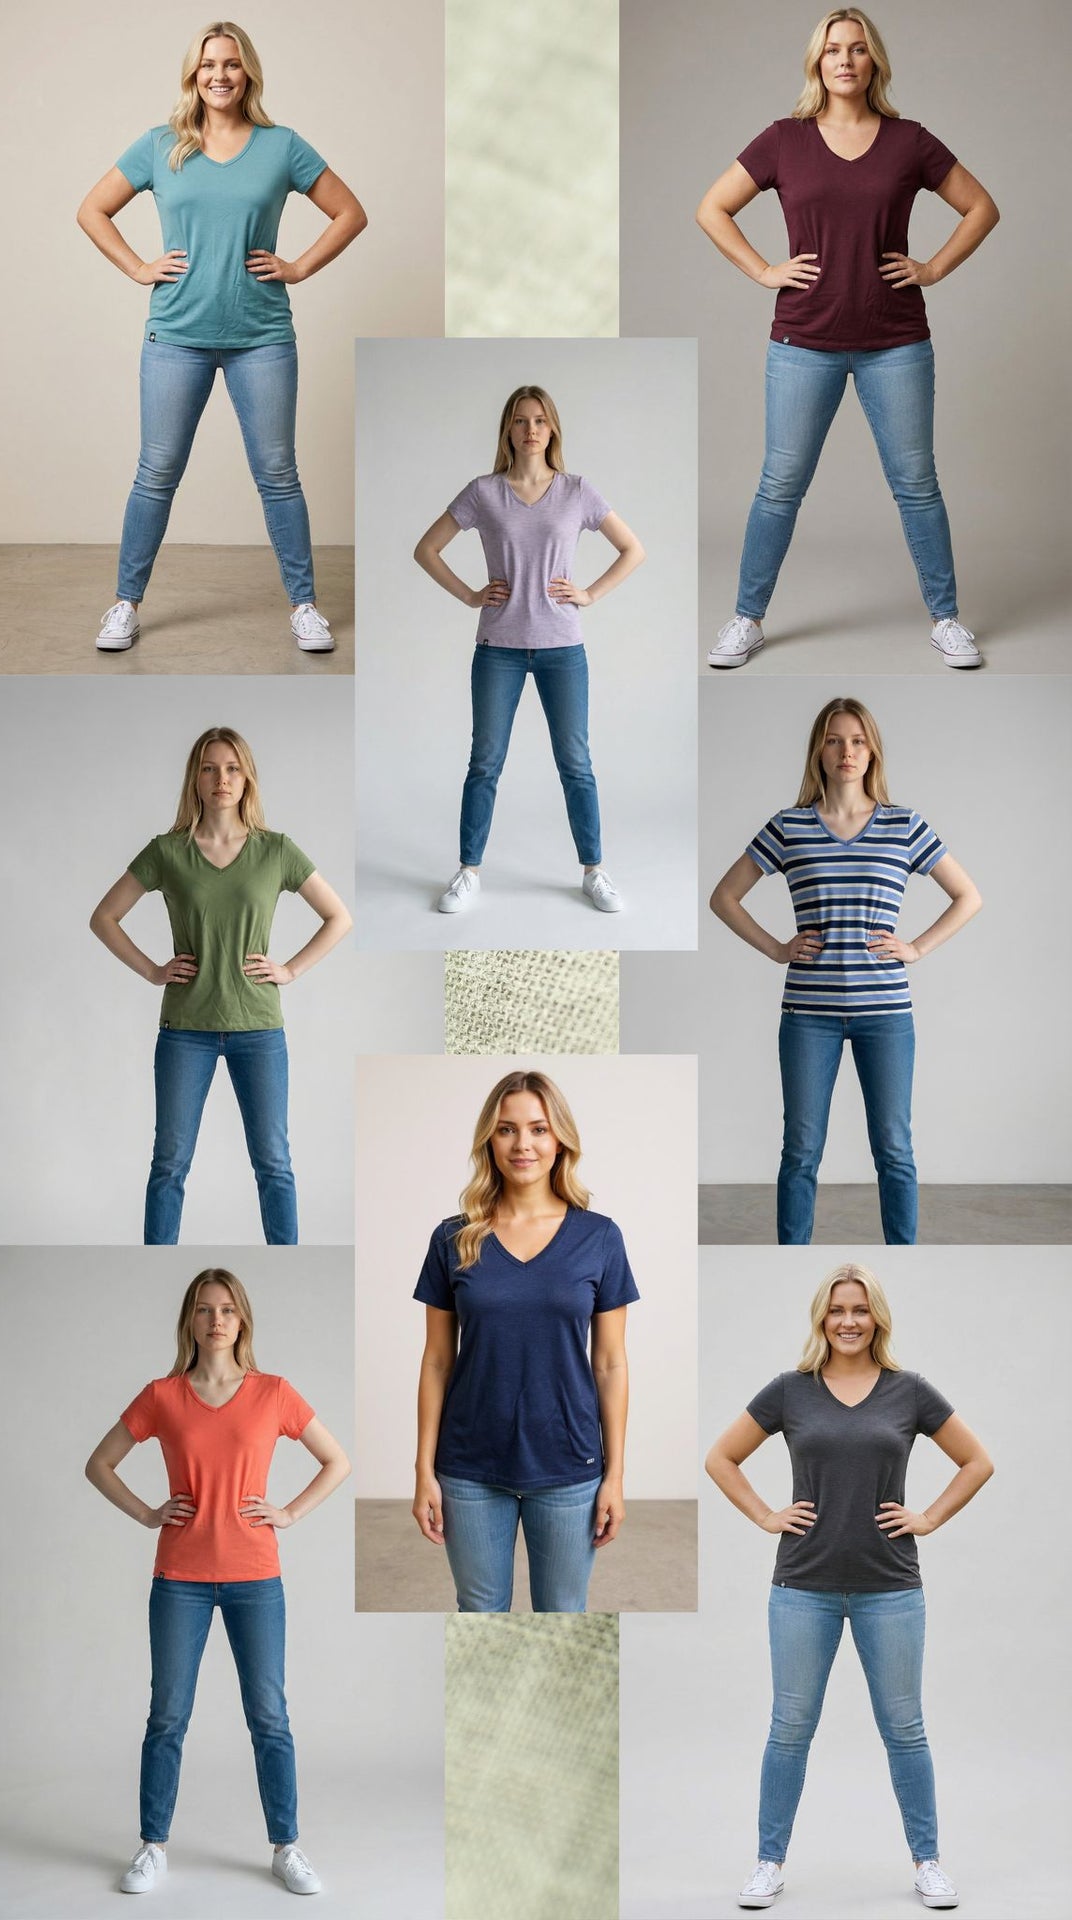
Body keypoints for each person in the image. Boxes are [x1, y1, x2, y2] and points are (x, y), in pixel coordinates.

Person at [696, 9, 999, 669]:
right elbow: (711, 207)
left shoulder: (910, 141)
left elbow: (981, 208)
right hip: (803, 340)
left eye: (858, 50)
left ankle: (947, 620)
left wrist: (933, 267)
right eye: (833, 49)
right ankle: (746, 619)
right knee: (780, 484)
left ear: (874, 63)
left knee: (916, 483)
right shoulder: (784, 140)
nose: (845, 60)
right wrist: (763, 270)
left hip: (896, 340)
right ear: (817, 62)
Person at [706, 1263, 993, 1911]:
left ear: (878, 1318)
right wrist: (764, 1514)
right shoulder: (790, 1390)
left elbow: (978, 1462)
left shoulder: (909, 1391)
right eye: (837, 1309)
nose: (848, 1320)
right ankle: (768, 1864)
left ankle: (928, 1864)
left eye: (860, 1309)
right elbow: (720, 1458)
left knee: (905, 1729)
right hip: (801, 1585)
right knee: (789, 1729)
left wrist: (928, 1517)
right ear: (821, 1318)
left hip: (890, 1587)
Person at [77, 20, 367, 654]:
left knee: (277, 474)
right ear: (192, 74)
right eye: (208, 64)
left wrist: (297, 267)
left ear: (248, 74)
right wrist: (137, 266)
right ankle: (124, 604)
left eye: (232, 64)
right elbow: (91, 209)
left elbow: (351, 213)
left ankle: (306, 608)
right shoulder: (162, 146)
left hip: (261, 335)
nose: (219, 75)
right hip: (175, 335)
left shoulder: (281, 145)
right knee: (156, 472)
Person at [85, 1267, 351, 1896]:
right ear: (190, 1321)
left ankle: (286, 1845)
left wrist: (287, 1512)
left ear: (242, 1320)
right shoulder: (161, 1396)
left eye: (227, 1309)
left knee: (269, 1716)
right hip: (179, 1577)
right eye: (204, 1310)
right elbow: (98, 1464)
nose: (216, 1320)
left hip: (256, 1578)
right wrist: (149, 1513)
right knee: (168, 1716)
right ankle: (153, 1846)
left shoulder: (274, 1392)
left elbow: (337, 1461)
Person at [709, 698, 981, 1244]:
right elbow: (725, 898)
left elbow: (967, 896)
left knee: (895, 1150)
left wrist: (918, 948)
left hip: (886, 1016)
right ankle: (790, 1261)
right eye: (834, 739)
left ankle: (903, 1262)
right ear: (818, 750)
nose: (847, 751)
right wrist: (776, 948)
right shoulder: (789, 826)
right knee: (801, 1151)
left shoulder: (905, 825)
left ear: (872, 749)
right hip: (808, 1016)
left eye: (857, 740)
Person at [89, 726, 352, 1244]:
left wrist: (291, 970)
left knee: (274, 1164)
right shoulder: (167, 852)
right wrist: (152, 970)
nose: (221, 779)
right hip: (185, 1028)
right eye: (209, 768)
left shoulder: (276, 850)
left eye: (231, 768)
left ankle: (285, 1268)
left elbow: (338, 917)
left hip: (259, 1029)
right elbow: (104, 917)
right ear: (195, 778)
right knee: (170, 1163)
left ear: (246, 777)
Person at [413, 385, 645, 913]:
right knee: (485, 762)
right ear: (508, 431)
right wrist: (471, 594)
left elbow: (633, 549)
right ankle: (468, 870)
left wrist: (589, 593)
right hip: (498, 647)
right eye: (521, 421)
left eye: (540, 420)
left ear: (553, 429)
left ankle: (594, 870)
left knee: (576, 763)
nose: (531, 430)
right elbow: (426, 548)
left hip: (564, 647)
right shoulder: (483, 492)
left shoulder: (577, 491)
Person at [412, 1070, 638, 1611]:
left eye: (538, 1129)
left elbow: (610, 1364)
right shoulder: (453, 1236)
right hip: (468, 1465)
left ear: (560, 1139)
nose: (523, 1145)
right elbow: (438, 1361)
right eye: (507, 1130)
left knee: (562, 1620)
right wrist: (423, 1469)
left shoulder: (599, 1236)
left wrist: (616, 1476)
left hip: (569, 1462)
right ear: (489, 1140)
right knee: (480, 1616)